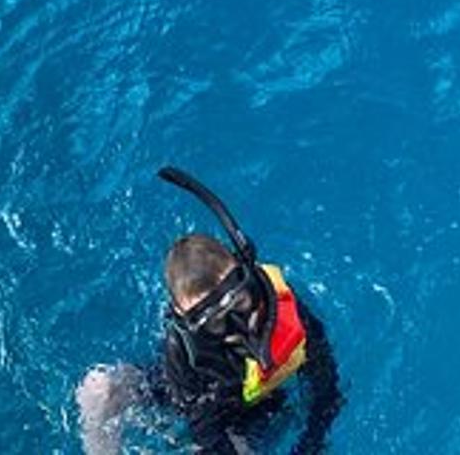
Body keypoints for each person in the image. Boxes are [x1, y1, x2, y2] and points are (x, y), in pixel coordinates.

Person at [76, 168, 342, 455]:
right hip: (209, 402)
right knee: (105, 390)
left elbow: (325, 382)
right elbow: (206, 428)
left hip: (262, 399)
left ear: (248, 277)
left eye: (239, 304)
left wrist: (311, 443)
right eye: (214, 323)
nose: (237, 327)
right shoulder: (183, 353)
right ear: (185, 319)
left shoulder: (280, 304)